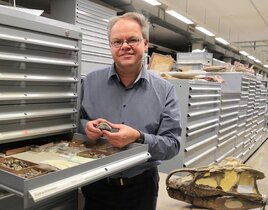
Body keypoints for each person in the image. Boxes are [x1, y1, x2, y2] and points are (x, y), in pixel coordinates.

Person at [80, 12, 181, 210]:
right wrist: (86, 128)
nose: (124, 46)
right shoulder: (90, 82)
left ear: (145, 43)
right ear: (111, 46)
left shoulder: (165, 90)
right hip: (96, 184)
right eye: (117, 41)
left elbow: (172, 145)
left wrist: (139, 138)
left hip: (141, 189)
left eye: (132, 40)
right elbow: (74, 124)